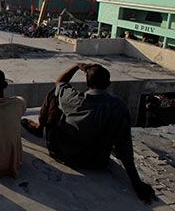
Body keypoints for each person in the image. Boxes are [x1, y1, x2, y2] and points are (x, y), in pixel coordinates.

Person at [21, 63, 156, 203]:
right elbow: (124, 149)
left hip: (61, 153)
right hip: (97, 162)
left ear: (87, 81)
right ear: (108, 84)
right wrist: (136, 182)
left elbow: (60, 82)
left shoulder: (74, 99)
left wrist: (76, 66)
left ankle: (39, 128)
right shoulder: (118, 106)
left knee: (54, 93)